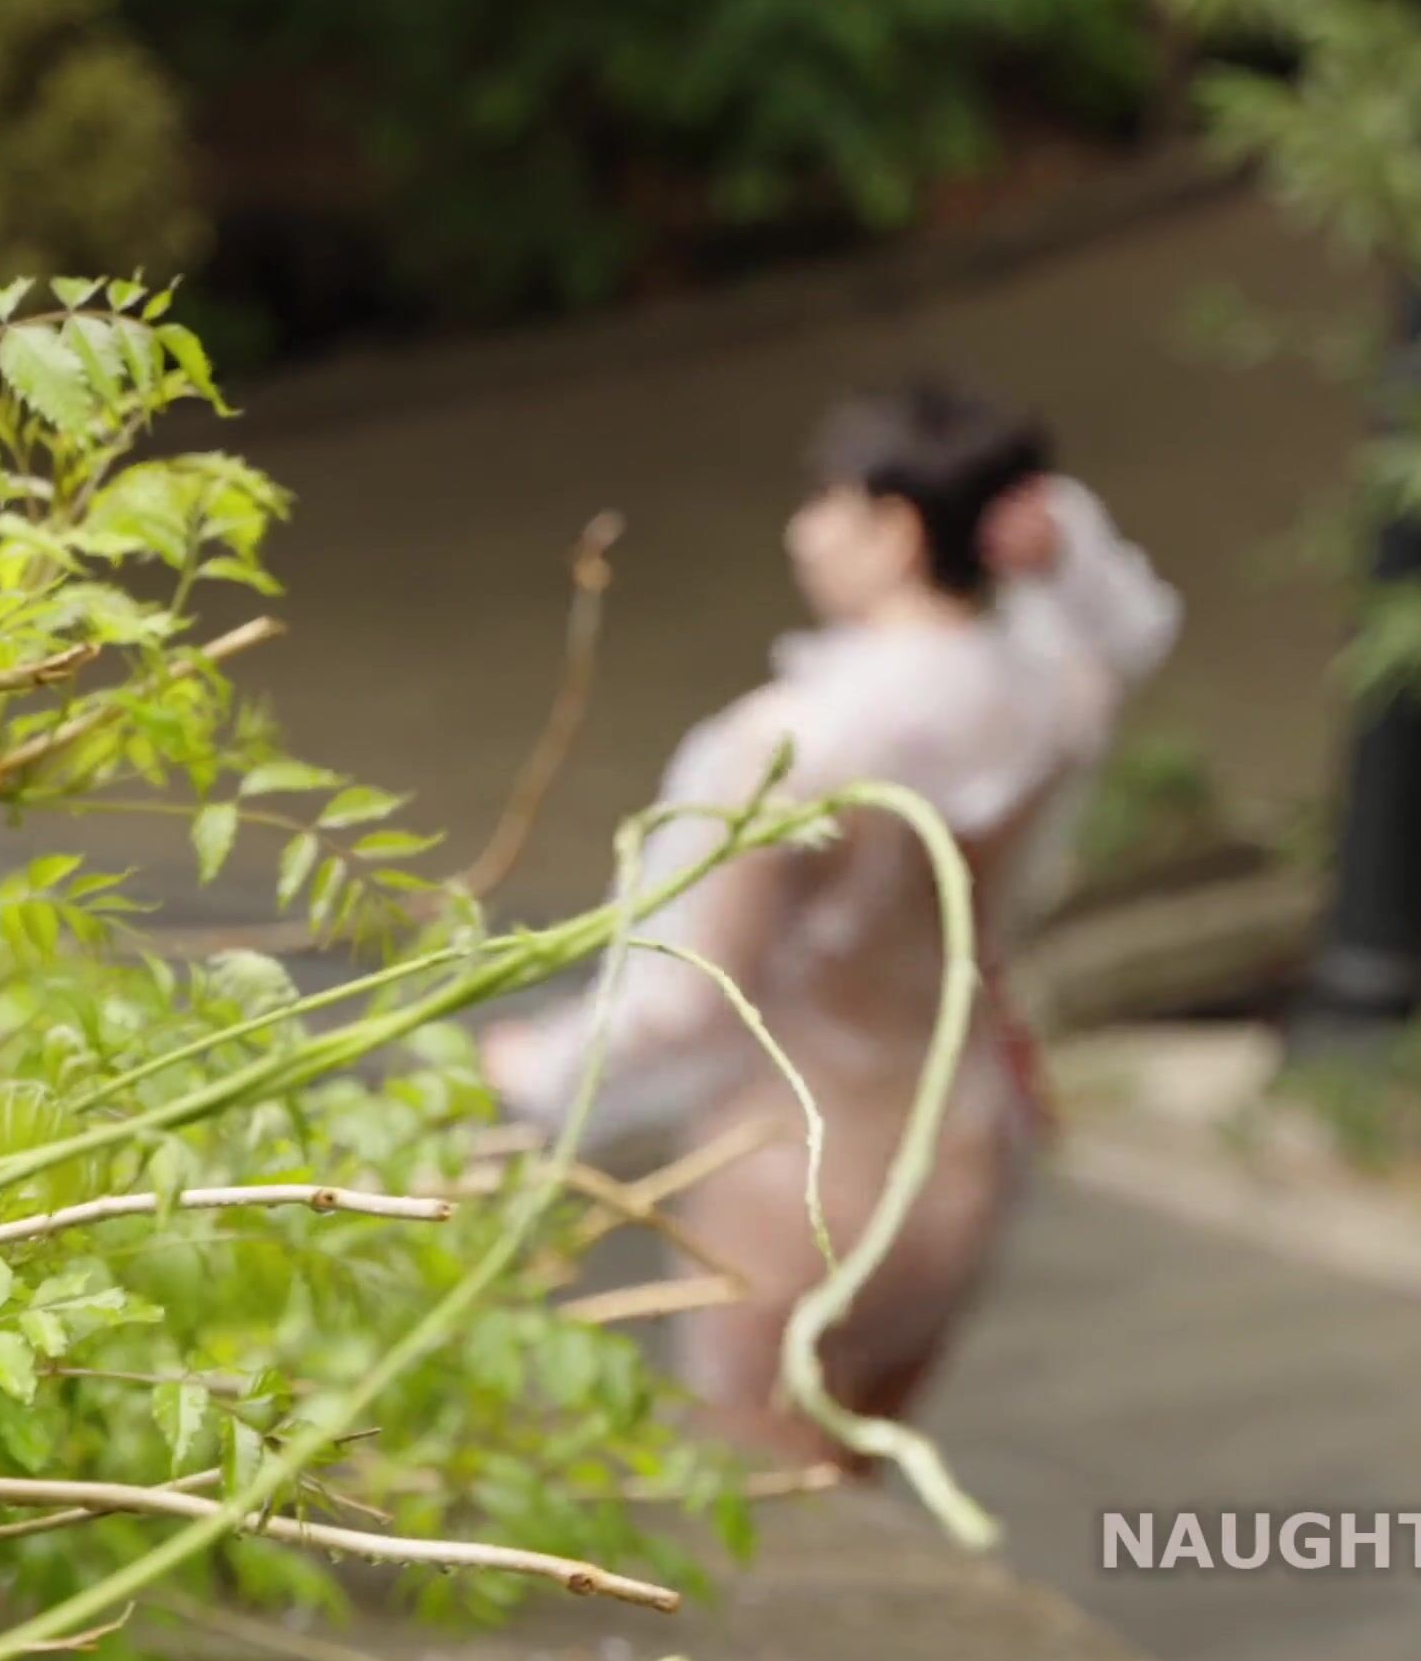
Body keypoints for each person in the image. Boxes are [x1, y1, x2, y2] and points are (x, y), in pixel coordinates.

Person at [478, 381, 1177, 1464]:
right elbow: (1127, 633)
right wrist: (1062, 546)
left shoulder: (789, 743)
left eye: (827, 503)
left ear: (895, 531)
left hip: (798, 1170)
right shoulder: (1042, 699)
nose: (802, 531)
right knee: (856, 1479)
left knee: (760, 1500)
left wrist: (531, 1075)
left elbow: (688, 996)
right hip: (963, 1149)